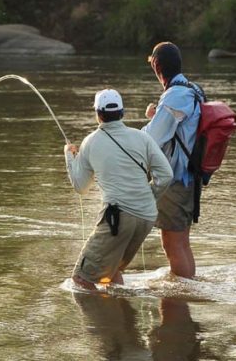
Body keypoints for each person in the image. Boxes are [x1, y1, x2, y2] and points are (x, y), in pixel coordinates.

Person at [65, 89, 173, 291]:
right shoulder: (142, 138)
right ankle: (123, 319)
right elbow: (166, 175)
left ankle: (107, 321)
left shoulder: (90, 142)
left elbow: (81, 187)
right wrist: (149, 197)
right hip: (147, 216)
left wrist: (69, 157)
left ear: (98, 114)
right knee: (111, 272)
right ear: (122, 113)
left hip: (118, 219)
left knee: (81, 280)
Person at [143, 42, 204, 279]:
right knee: (182, 242)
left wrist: (126, 140)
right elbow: (181, 127)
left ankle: (180, 301)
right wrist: (155, 114)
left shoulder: (175, 95)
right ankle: (187, 291)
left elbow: (152, 138)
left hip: (175, 179)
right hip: (190, 176)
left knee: (173, 243)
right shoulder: (193, 89)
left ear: (157, 66)